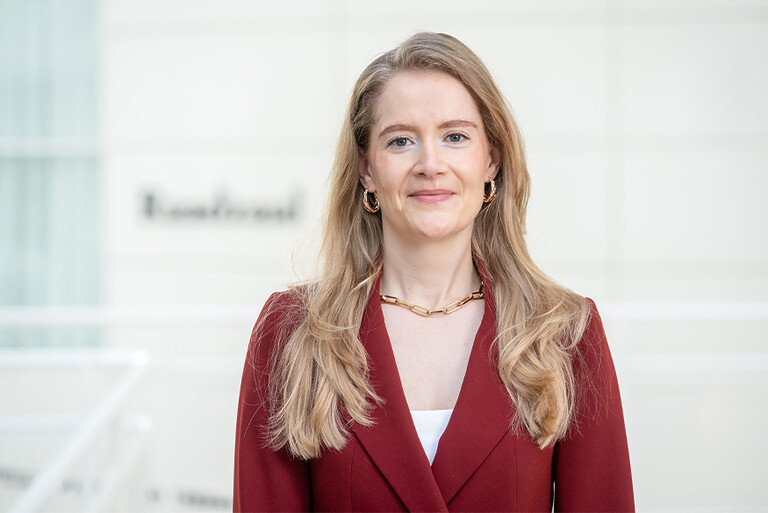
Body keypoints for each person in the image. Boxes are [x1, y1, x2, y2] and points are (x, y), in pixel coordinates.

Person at [234, 32, 634, 512]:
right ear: (366, 170)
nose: (430, 164)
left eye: (455, 137)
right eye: (400, 140)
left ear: (491, 160)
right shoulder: (292, 331)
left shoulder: (565, 332)